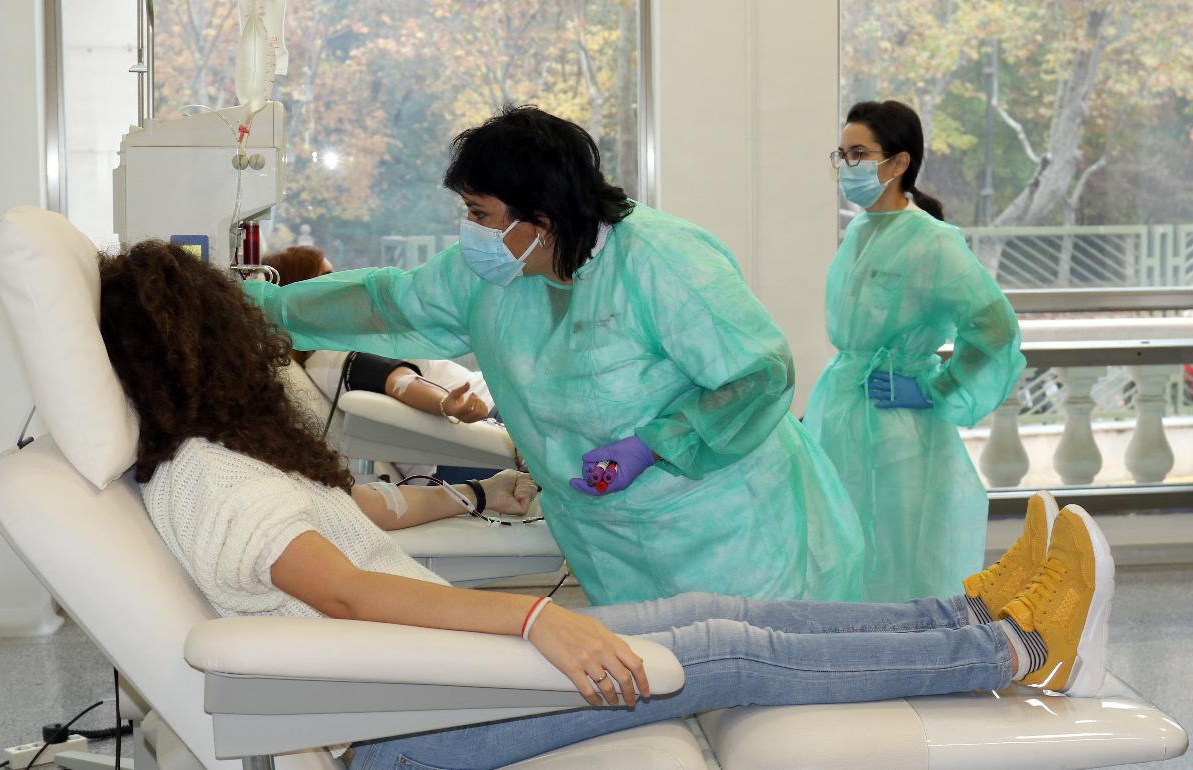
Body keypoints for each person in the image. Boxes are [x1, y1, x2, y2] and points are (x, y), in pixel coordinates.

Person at [98, 240, 1114, 770]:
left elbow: (356, 514)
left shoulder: (226, 450)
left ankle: (968, 611)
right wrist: (540, 618)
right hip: (405, 721)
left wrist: (477, 490)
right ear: (202, 344)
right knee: (720, 649)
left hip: (447, 679)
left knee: (726, 610)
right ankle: (1014, 645)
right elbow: (355, 598)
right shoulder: (207, 479)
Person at [243, 105, 866, 605]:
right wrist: (265, 304)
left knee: (759, 702)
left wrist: (655, 443)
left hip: (728, 530)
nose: (471, 231)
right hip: (606, 541)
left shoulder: (659, 261)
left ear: (540, 219)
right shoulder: (486, 275)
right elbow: (386, 303)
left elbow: (757, 376)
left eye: (480, 213)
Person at [803, 100, 1027, 603]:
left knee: (897, 554)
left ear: (899, 163)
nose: (847, 166)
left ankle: (902, 658)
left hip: (898, 430)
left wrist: (934, 389)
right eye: (841, 155)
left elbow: (995, 330)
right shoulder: (859, 231)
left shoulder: (933, 241)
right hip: (841, 414)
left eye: (859, 153)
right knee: (840, 547)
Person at [265, 246, 492, 424]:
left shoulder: (346, 339)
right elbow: (399, 381)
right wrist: (446, 404)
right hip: (491, 411)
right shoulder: (330, 355)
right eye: (326, 277)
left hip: (490, 398)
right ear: (299, 300)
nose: (336, 285)